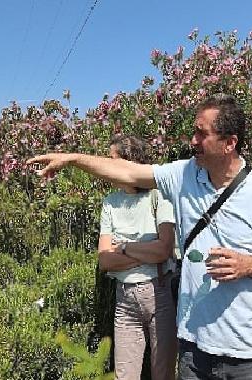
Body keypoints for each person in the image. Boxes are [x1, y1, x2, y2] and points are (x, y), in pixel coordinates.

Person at [28, 94, 252, 380]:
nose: (192, 141)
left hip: (244, 353)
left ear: (230, 143)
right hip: (193, 347)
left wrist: (247, 266)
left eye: (202, 134)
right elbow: (128, 171)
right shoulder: (184, 175)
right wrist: (73, 159)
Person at [97, 135, 177, 380]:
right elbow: (104, 261)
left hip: (159, 293)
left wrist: (122, 248)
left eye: (114, 160)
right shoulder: (110, 202)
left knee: (162, 372)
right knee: (125, 374)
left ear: (130, 162)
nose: (109, 167)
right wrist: (145, 252)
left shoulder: (159, 195)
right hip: (125, 298)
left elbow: (164, 249)